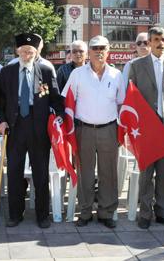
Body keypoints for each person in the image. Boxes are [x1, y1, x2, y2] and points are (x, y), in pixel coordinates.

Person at [0, 33, 63, 228]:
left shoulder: (45, 69)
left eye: (31, 52)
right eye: (24, 52)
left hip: (38, 126)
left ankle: (43, 215)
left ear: (36, 52)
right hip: (15, 126)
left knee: (41, 173)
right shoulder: (7, 72)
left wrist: (59, 115)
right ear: (18, 52)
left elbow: (55, 98)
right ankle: (15, 214)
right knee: (15, 172)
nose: (27, 55)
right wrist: (1, 120)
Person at [62, 35, 126, 229]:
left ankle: (107, 212)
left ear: (108, 52)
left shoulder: (117, 75)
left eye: (102, 48)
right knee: (85, 173)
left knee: (108, 173)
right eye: (95, 48)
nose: (98, 51)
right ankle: (85, 211)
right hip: (84, 130)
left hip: (109, 129)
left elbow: (122, 103)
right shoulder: (77, 74)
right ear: (88, 52)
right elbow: (67, 102)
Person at [127, 27, 164, 229]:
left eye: (163, 39)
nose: (160, 43)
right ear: (149, 42)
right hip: (145, 128)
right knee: (146, 172)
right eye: (155, 39)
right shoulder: (137, 66)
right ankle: (145, 213)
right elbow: (131, 99)